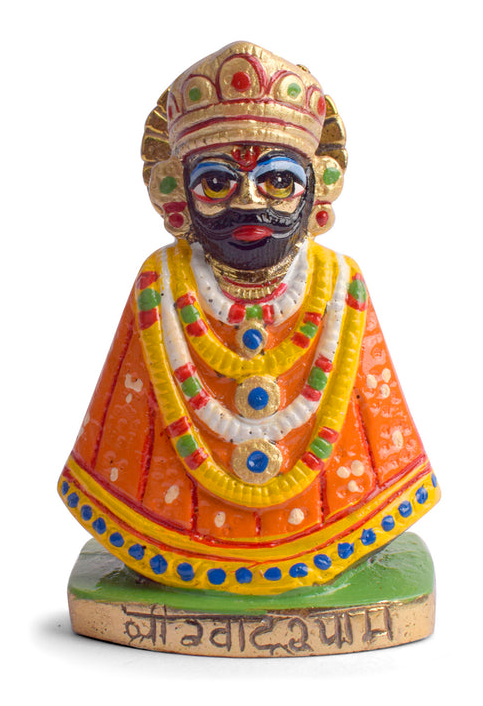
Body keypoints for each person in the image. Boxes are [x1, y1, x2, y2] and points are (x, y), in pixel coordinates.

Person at [58, 41, 440, 594]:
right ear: (175, 191)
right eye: (216, 183)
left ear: (319, 186)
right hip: (162, 532)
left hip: (338, 524)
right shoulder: (161, 284)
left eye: (278, 182)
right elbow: (124, 432)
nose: (248, 202)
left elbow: (378, 435)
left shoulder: (339, 282)